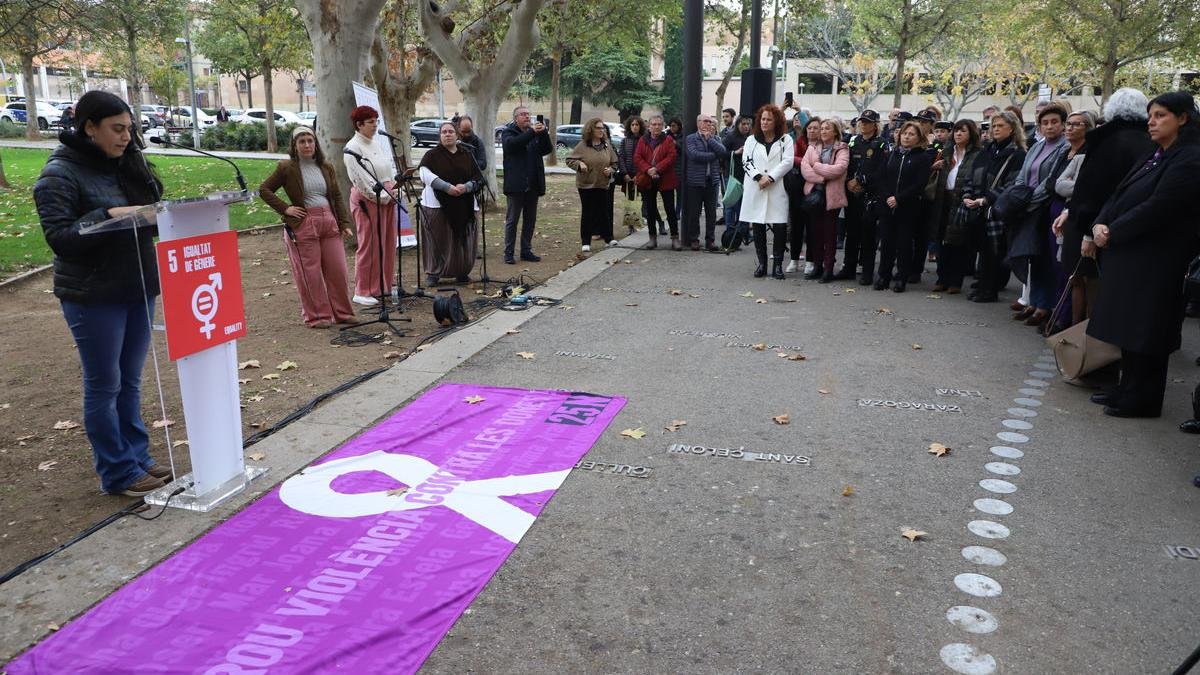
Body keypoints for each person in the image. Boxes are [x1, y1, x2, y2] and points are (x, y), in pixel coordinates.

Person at [33, 90, 168, 497]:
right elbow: (60, 237)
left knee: (130, 381)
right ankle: (118, 471)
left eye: (130, 129)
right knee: (105, 383)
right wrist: (106, 215)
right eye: (117, 129)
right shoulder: (59, 173)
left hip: (137, 285)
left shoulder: (125, 163)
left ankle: (137, 457)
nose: (126, 137)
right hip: (93, 295)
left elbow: (153, 215)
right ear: (89, 127)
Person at [1087, 91, 1200, 418]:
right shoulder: (1155, 153)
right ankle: (1126, 388)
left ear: (1183, 118)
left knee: (1148, 330)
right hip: (1131, 255)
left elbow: (1160, 206)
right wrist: (1099, 222)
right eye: (1150, 115)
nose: (1152, 121)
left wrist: (1113, 230)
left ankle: (1143, 399)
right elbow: (1119, 193)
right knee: (1129, 326)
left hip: (1158, 257)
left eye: (1161, 115)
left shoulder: (1190, 157)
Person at [1057, 89, 1152, 326]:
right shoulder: (1148, 142)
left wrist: (1088, 230)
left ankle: (1087, 345)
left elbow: (1094, 189)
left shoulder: (1108, 141)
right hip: (1125, 227)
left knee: (1090, 287)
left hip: (1096, 228)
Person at [259, 126, 355, 328]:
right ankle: (317, 316)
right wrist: (286, 209)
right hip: (304, 224)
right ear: (294, 146)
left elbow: (336, 195)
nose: (307, 145)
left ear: (316, 143)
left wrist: (344, 223)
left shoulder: (326, 167)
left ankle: (343, 313)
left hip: (329, 222)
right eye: (301, 141)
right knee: (310, 273)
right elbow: (264, 189)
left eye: (310, 141)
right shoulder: (286, 167)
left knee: (338, 270)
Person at [1008, 102, 1069, 327]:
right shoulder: (1037, 146)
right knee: (1032, 256)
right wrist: (1020, 196)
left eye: (1054, 122)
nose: (1049, 126)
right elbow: (1024, 174)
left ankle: (1045, 306)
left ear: (1063, 124)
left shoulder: (1064, 147)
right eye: (1045, 123)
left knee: (1046, 259)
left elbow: (1050, 181)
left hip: (1045, 208)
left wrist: (1031, 200)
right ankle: (1033, 302)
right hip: (1027, 207)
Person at [961, 111, 1026, 302]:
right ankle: (981, 286)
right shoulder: (986, 150)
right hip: (977, 207)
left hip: (996, 209)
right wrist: (967, 195)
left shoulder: (1017, 154)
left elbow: (1013, 184)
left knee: (994, 251)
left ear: (1012, 129)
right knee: (981, 249)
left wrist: (986, 199)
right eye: (994, 126)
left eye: (1001, 126)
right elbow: (971, 176)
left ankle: (990, 290)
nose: (996, 129)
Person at [1042, 110, 1094, 329]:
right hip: (1056, 209)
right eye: (1069, 124)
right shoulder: (1064, 152)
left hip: (1074, 213)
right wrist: (1067, 186)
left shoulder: (1089, 153)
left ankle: (1067, 321)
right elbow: (1055, 182)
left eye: (1077, 124)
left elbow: (1087, 186)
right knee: (1057, 264)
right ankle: (1057, 312)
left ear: (1088, 128)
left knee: (1072, 272)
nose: (1070, 128)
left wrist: (1070, 186)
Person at [343, 105, 397, 306]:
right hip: (370, 200)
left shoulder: (375, 143)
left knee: (387, 242)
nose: (375, 125)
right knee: (370, 244)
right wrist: (383, 197)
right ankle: (362, 289)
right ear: (359, 125)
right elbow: (361, 181)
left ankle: (381, 286)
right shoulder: (353, 147)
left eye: (376, 121)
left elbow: (387, 168)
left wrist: (394, 189)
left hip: (387, 197)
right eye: (371, 122)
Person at [416, 121, 481, 285]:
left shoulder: (466, 154)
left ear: (457, 135)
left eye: (450, 131)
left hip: (464, 204)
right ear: (439, 136)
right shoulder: (431, 155)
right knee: (437, 239)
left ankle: (461, 271)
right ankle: (434, 273)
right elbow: (424, 174)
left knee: (462, 239)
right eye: (443, 132)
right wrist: (446, 187)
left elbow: (478, 176)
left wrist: (466, 187)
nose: (447, 134)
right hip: (437, 205)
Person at [873, 121, 933, 292]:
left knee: (904, 244)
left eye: (911, 134)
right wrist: (888, 197)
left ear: (919, 138)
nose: (907, 137)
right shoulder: (891, 154)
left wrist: (899, 198)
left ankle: (901, 277)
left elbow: (919, 183)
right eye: (905, 133)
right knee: (887, 243)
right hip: (887, 205)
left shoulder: (922, 157)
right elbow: (881, 177)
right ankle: (883, 276)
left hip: (908, 207)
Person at [740, 104, 794, 279]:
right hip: (756, 188)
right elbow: (746, 161)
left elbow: (787, 162)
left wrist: (770, 178)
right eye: (762, 119)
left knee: (779, 226)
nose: (764, 122)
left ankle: (777, 265)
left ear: (776, 121)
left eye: (769, 119)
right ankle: (762, 264)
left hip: (776, 188)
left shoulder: (786, 140)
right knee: (758, 226)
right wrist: (758, 177)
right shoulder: (751, 140)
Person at [934, 119, 982, 294]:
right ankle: (942, 278)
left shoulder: (977, 154)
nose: (958, 134)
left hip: (962, 200)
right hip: (943, 198)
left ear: (971, 134)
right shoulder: (946, 151)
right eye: (956, 131)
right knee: (941, 240)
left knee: (959, 242)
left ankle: (955, 281)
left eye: (963, 131)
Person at [838, 109, 886, 283]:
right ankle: (848, 267)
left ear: (875, 125)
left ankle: (867, 271)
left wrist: (862, 181)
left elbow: (882, 170)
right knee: (851, 233)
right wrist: (850, 181)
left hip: (870, 196)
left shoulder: (881, 144)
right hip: (852, 193)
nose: (863, 125)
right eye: (861, 122)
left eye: (867, 122)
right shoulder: (852, 142)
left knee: (868, 235)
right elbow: (847, 164)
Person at [800, 118, 850, 283]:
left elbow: (839, 169)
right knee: (815, 234)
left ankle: (828, 269)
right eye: (821, 128)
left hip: (832, 198)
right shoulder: (813, 147)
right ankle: (817, 266)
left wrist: (818, 167)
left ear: (835, 131)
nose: (823, 131)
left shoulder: (842, 148)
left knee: (829, 235)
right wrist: (822, 178)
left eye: (827, 128)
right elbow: (805, 169)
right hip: (815, 196)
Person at [500, 106, 551, 264]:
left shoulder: (534, 133)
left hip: (533, 184)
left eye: (528, 114)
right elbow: (513, 146)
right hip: (516, 184)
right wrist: (533, 133)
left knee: (530, 220)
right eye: (523, 115)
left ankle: (526, 250)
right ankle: (509, 253)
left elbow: (547, 149)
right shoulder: (508, 132)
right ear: (515, 118)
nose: (527, 117)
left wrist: (543, 133)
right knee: (512, 220)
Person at [566, 117, 619, 255]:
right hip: (586, 184)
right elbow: (569, 160)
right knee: (588, 212)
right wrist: (579, 164)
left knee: (603, 211)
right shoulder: (583, 145)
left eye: (602, 128)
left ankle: (608, 239)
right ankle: (585, 242)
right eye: (598, 128)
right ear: (591, 129)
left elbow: (614, 163)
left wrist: (611, 170)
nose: (601, 130)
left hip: (602, 183)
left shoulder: (606, 144)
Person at [683, 113, 729, 251]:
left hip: (712, 181)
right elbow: (694, 155)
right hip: (695, 182)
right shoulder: (691, 138)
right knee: (694, 213)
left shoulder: (715, 138)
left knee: (712, 213)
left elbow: (723, 151)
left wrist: (710, 140)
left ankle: (710, 240)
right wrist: (713, 156)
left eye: (710, 122)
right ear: (698, 123)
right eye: (705, 121)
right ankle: (694, 239)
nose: (708, 124)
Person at [634, 115, 680, 249]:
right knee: (650, 209)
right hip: (647, 179)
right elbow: (637, 158)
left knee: (670, 209)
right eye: (654, 124)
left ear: (663, 126)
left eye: (659, 124)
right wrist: (648, 170)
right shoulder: (643, 140)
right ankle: (652, 238)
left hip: (666, 178)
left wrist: (657, 169)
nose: (656, 127)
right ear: (649, 126)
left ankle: (675, 238)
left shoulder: (668, 139)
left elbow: (671, 157)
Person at [784, 115, 815, 273]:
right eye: (809, 128)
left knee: (812, 226)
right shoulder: (798, 141)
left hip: (816, 188)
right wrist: (805, 161)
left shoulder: (823, 144)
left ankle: (811, 260)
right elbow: (790, 158)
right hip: (797, 185)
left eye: (815, 128)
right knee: (796, 224)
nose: (812, 131)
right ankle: (794, 259)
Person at [722, 114, 753, 248]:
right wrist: (735, 153)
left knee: (743, 206)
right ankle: (730, 232)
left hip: (748, 176)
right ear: (738, 124)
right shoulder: (730, 137)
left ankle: (742, 232)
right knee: (730, 204)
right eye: (743, 124)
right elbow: (722, 152)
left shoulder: (751, 138)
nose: (746, 127)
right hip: (733, 176)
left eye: (748, 124)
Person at [618, 115, 646, 236]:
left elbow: (644, 158)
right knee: (630, 200)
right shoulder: (625, 140)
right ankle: (631, 225)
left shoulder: (644, 140)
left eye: (637, 125)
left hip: (640, 174)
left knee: (642, 198)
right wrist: (624, 173)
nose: (635, 127)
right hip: (628, 174)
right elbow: (621, 157)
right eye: (633, 125)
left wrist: (639, 174)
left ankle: (642, 218)